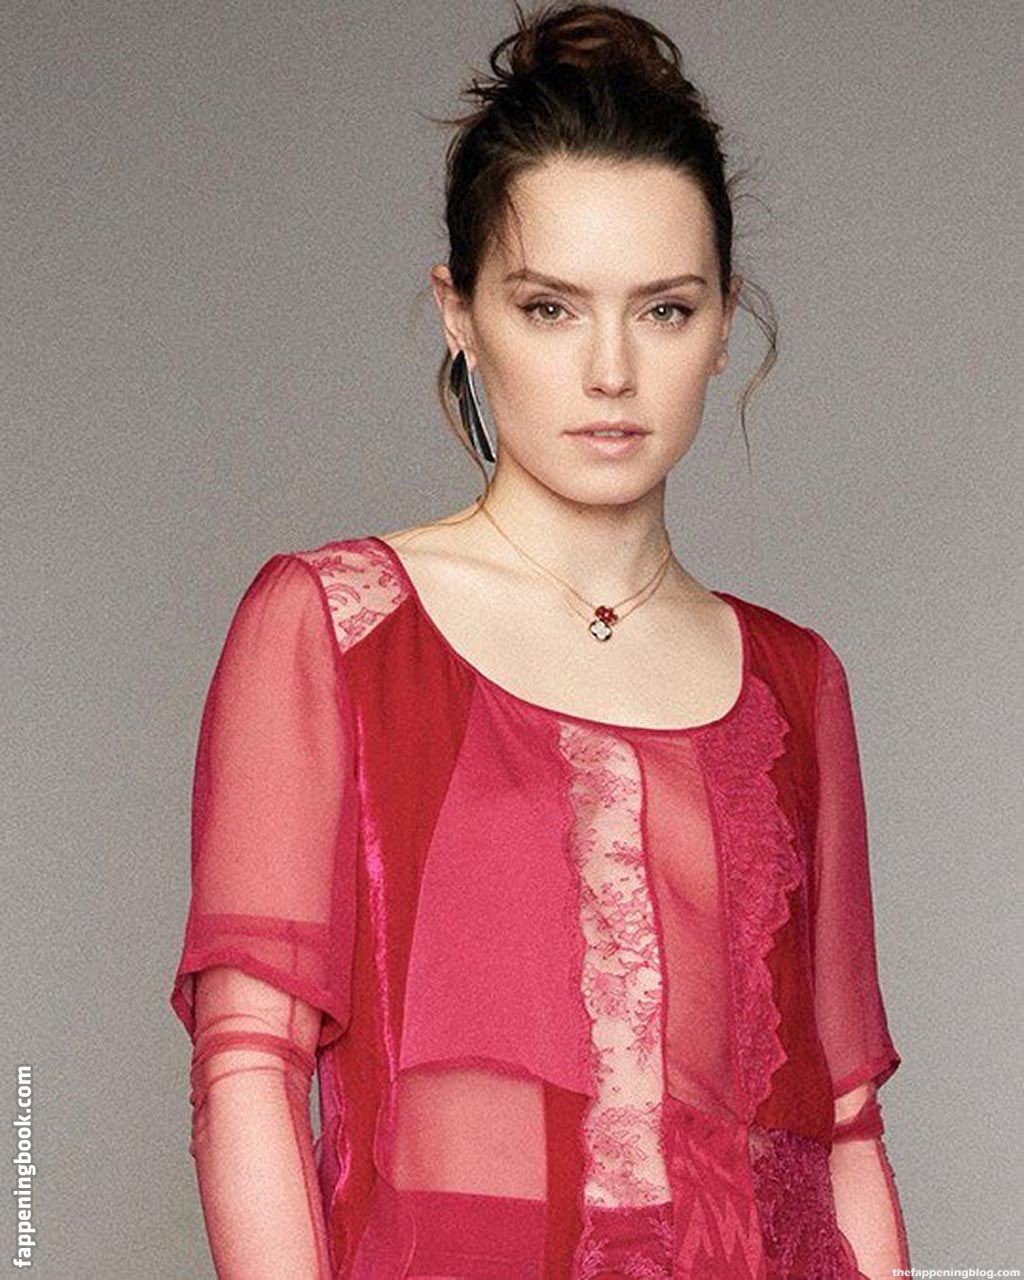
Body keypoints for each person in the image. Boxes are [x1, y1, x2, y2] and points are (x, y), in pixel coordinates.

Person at [168, 3, 911, 1276]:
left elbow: (842, 1131)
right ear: (460, 313)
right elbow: (247, 1069)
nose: (610, 370)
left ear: (723, 323)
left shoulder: (794, 681)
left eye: (663, 309)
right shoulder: (336, 626)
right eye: (551, 307)